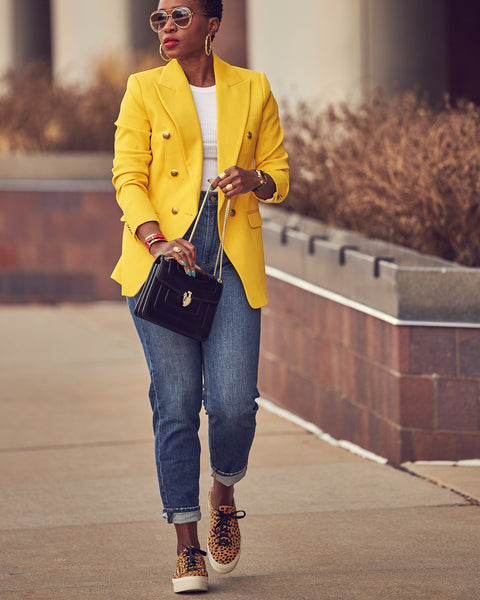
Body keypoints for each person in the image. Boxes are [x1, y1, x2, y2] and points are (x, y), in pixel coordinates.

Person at [112, 0, 289, 594]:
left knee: (235, 402)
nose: (166, 27)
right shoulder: (143, 88)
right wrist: (156, 238)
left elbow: (279, 173)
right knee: (177, 402)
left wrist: (254, 179)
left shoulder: (253, 87)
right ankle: (187, 545)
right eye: (158, 18)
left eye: (179, 16)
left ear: (212, 24)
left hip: (232, 255)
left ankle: (223, 490)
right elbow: (127, 175)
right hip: (164, 258)